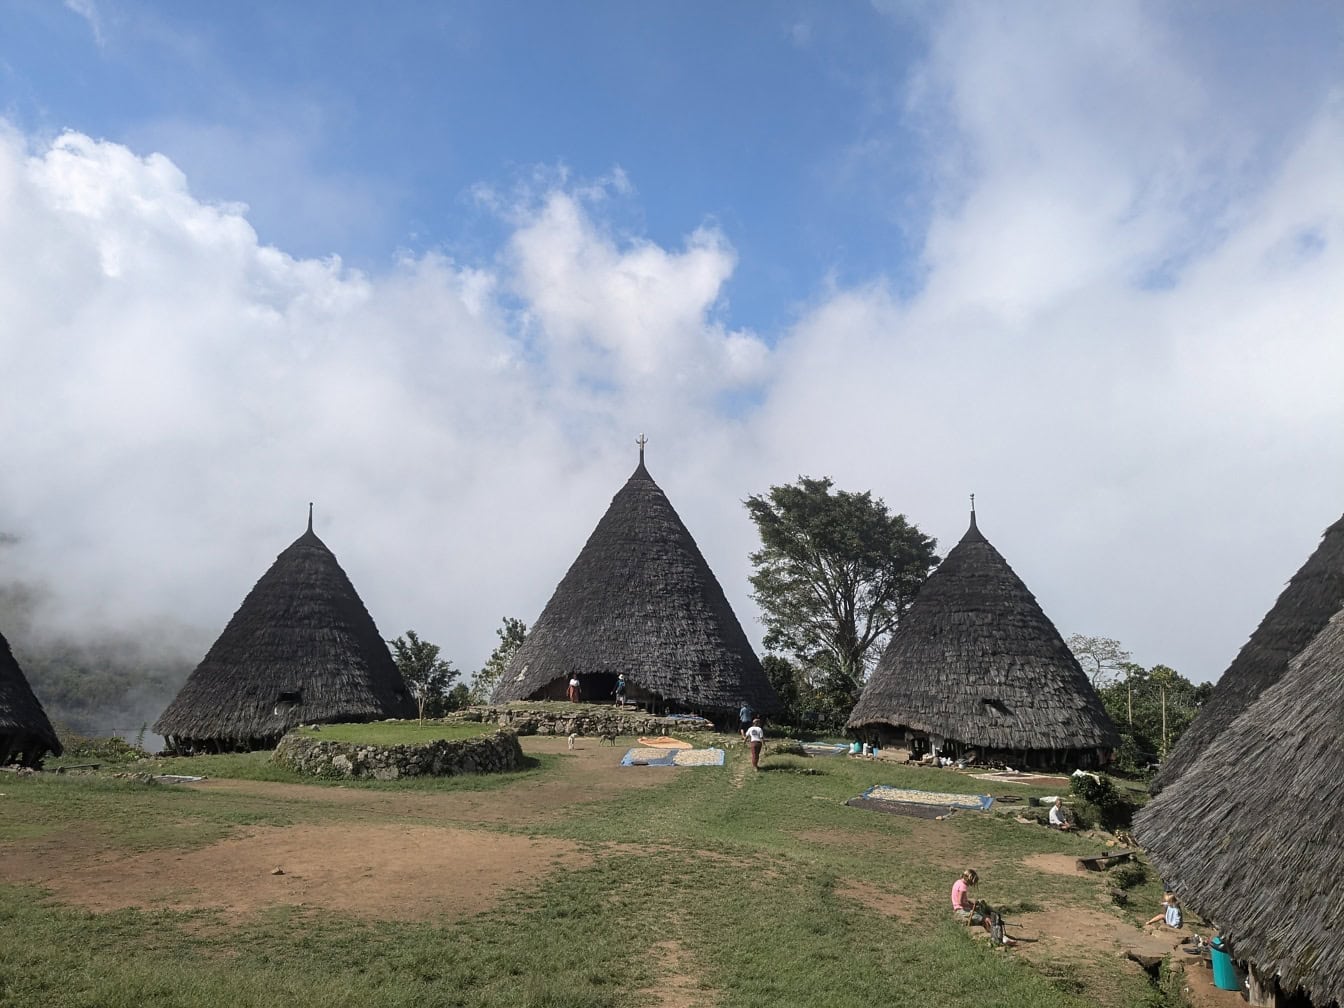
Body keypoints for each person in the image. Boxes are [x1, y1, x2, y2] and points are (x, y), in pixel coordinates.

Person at [951, 869, 1015, 946]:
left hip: (961, 907)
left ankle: (995, 934)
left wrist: (969, 903)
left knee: (984, 913)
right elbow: (960, 902)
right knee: (986, 919)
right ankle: (1001, 938)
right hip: (961, 910)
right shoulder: (963, 886)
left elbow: (962, 900)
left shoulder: (958, 882)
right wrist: (972, 906)